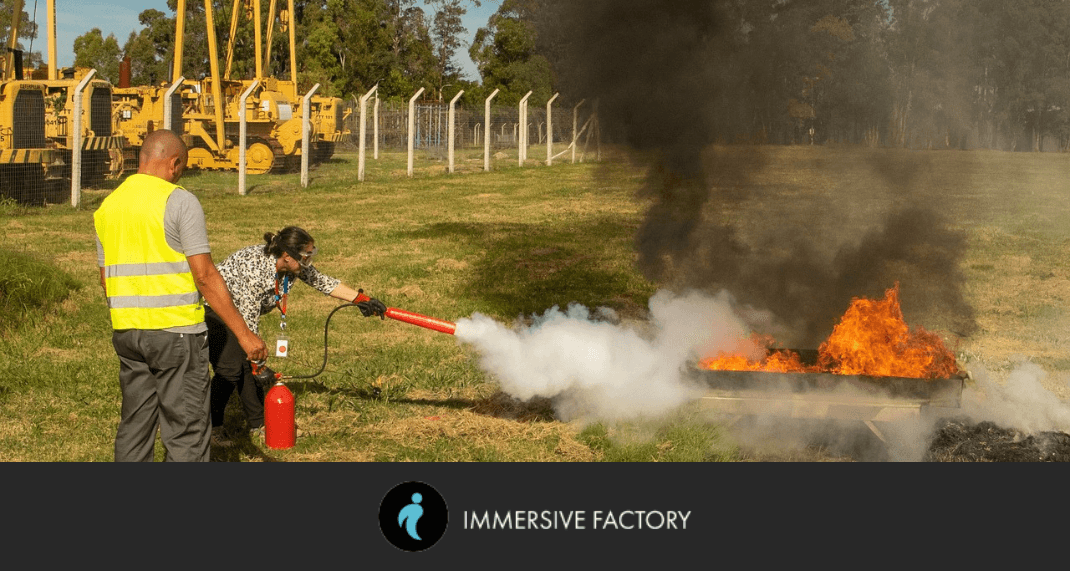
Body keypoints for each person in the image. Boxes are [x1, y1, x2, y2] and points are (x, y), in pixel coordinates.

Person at [94, 129, 267, 462]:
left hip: (128, 333)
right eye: (182, 168)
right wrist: (244, 336)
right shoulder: (179, 200)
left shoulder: (108, 206)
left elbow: (106, 279)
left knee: (135, 423)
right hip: (177, 335)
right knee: (186, 427)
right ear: (174, 163)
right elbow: (204, 276)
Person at [208, 226, 386, 444]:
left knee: (244, 367)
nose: (308, 261)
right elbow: (247, 321)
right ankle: (211, 428)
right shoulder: (254, 269)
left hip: (237, 313)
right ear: (287, 255)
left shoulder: (292, 266)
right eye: (306, 256)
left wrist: (361, 299)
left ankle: (259, 425)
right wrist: (258, 361)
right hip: (213, 310)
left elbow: (323, 282)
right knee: (231, 368)